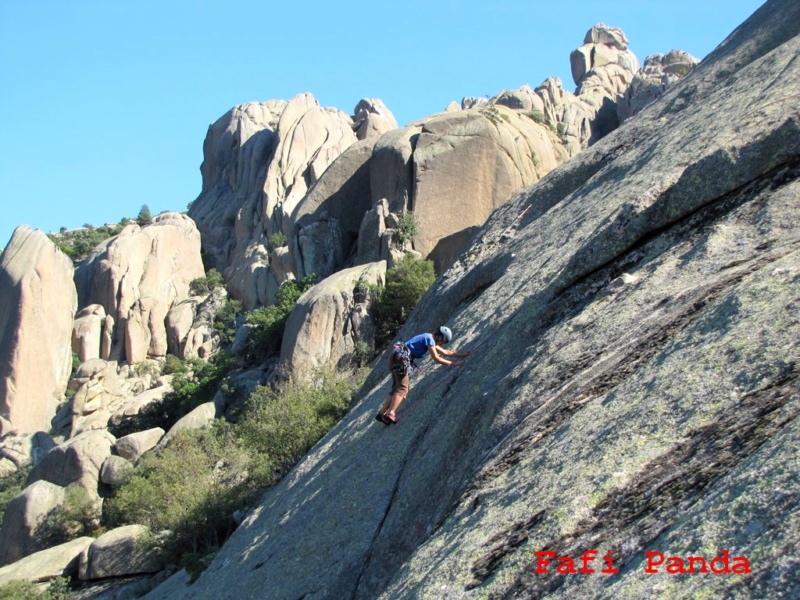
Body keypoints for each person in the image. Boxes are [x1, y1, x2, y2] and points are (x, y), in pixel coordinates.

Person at [376, 326, 470, 425]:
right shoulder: (429, 338)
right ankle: (391, 413)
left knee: (396, 388)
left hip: (395, 357)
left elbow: (446, 352)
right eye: (443, 341)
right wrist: (453, 364)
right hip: (400, 359)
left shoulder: (428, 338)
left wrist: (463, 354)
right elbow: (437, 358)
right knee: (403, 389)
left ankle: (382, 413)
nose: (443, 343)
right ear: (439, 336)